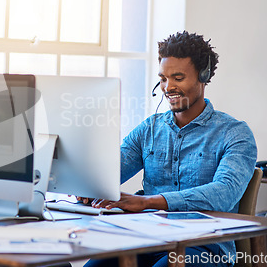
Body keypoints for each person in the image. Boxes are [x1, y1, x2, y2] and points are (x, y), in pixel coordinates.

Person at [84, 31, 257, 267]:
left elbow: (223, 193)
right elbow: (112, 170)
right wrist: (88, 184)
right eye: (163, 78)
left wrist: (149, 202)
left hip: (204, 245)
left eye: (178, 77)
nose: (168, 87)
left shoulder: (234, 133)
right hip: (145, 238)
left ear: (203, 76)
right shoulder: (149, 129)